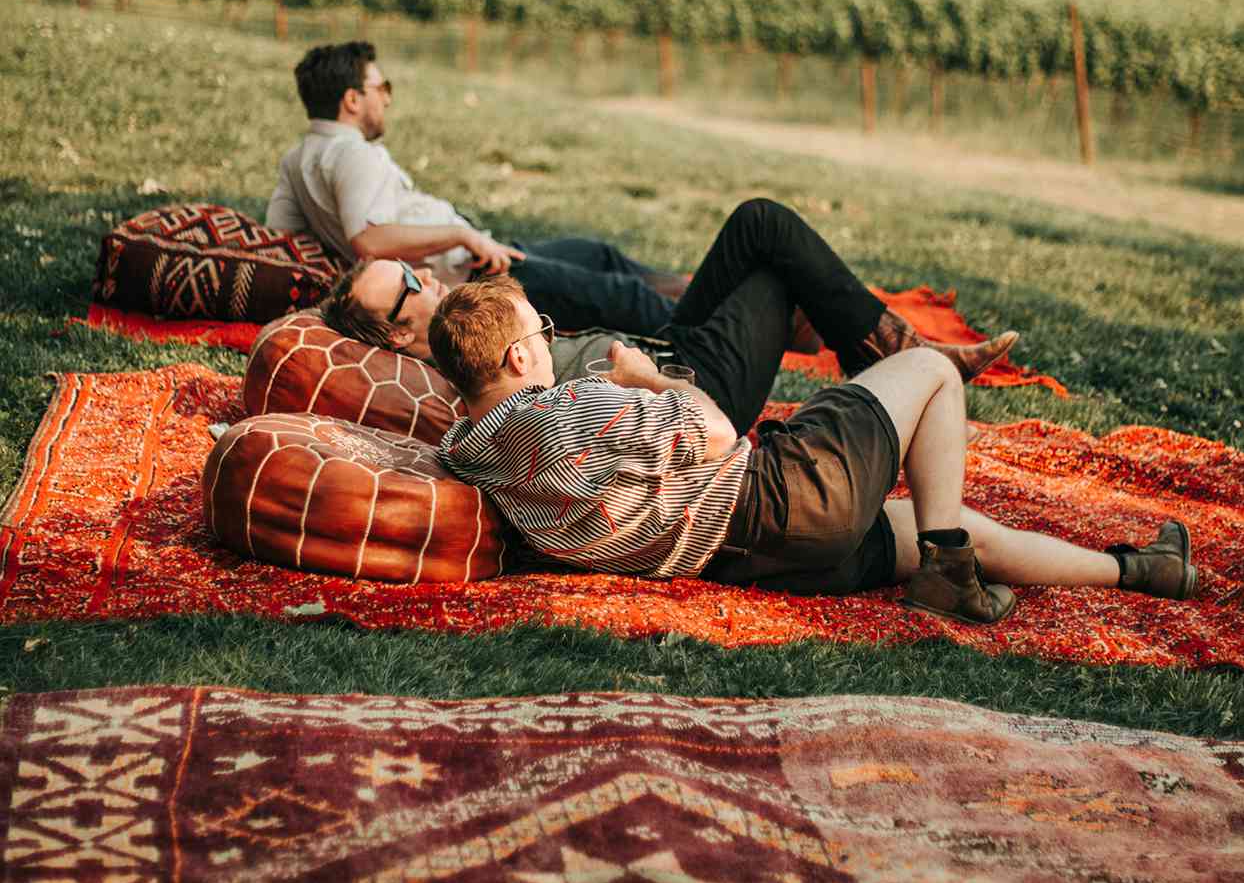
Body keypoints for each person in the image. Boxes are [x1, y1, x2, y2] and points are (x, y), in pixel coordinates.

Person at [426, 272, 1198, 626]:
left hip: (750, 560)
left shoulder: (467, 449)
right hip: (778, 494)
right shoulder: (566, 410)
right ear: (521, 359)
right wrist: (650, 379)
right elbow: (719, 429)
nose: (550, 343)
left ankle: (1141, 569)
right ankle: (945, 570)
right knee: (931, 369)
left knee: (945, 526)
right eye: (543, 333)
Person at [318, 197, 1021, 402]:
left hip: (671, 352)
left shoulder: (461, 325)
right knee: (769, 242)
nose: (422, 276)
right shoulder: (460, 368)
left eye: (409, 271)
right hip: (689, 383)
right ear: (396, 339)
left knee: (759, 228)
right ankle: (891, 358)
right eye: (406, 287)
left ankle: (884, 355)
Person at [266, 39, 693, 337]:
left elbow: (279, 235)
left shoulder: (298, 158)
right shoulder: (353, 154)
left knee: (599, 255)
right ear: (352, 100)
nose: (388, 100)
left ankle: (694, 293)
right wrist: (461, 234)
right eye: (383, 88)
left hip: (481, 255)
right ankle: (704, 330)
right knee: (618, 294)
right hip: (475, 275)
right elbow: (369, 241)